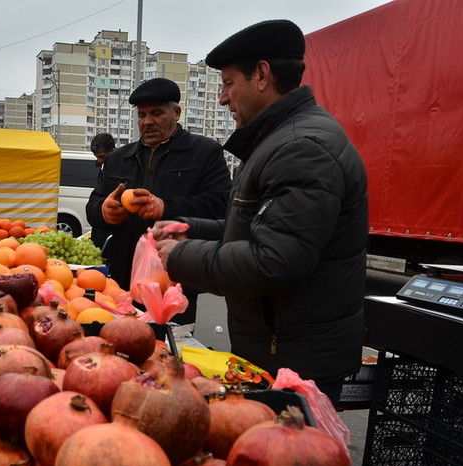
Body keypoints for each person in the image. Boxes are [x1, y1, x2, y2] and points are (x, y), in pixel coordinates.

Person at [153, 20, 369, 406]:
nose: (223, 98)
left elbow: (274, 260)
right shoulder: (278, 140)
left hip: (298, 362)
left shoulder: (302, 147)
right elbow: (253, 229)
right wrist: (191, 230)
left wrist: (180, 256)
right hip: (280, 348)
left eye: (229, 83)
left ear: (263, 75)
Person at [86, 78, 232, 325]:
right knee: (122, 342)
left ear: (176, 113)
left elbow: (221, 205)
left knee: (171, 350)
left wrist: (167, 207)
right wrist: (104, 211)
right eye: (142, 115)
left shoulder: (205, 152)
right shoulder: (119, 159)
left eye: (156, 113)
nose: (147, 122)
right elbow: (94, 205)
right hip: (123, 277)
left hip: (174, 278)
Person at [88, 132, 116, 250]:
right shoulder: (104, 167)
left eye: (102, 156)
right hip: (100, 229)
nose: (99, 161)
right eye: (97, 157)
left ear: (113, 151)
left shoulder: (123, 170)